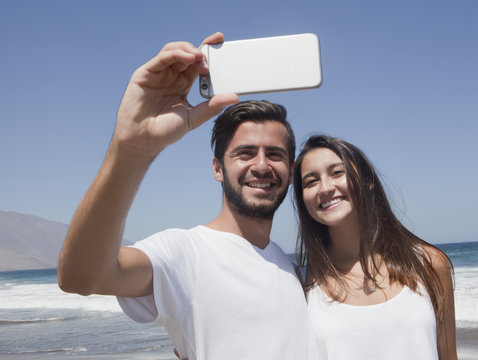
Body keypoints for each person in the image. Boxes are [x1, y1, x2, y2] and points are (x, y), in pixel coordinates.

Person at [57, 32, 318, 360]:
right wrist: (131, 149)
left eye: (275, 154)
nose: (262, 165)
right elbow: (81, 276)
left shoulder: (290, 269)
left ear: (291, 172)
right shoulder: (185, 253)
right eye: (246, 153)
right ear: (217, 168)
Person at [292, 134, 458, 360]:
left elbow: (448, 356)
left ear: (368, 181)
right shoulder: (300, 285)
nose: (325, 188)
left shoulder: (429, 263)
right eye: (311, 182)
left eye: (337, 172)